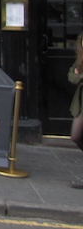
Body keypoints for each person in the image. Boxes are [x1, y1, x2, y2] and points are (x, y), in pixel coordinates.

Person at [70, 33, 83, 189]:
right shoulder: (79, 59)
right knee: (75, 136)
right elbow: (70, 76)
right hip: (80, 105)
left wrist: (79, 76)